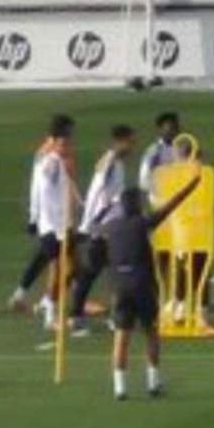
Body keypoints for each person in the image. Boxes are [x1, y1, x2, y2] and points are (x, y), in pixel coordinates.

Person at [102, 173, 203, 400]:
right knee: (150, 333)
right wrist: (192, 184)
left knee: (121, 335)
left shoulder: (110, 227)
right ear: (137, 206)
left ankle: (120, 387)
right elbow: (171, 205)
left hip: (119, 286)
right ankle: (153, 382)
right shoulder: (142, 223)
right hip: (141, 285)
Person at [9, 115, 78, 328]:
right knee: (59, 265)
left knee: (54, 261)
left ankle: (34, 298)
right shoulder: (49, 157)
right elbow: (41, 188)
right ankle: (50, 308)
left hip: (58, 220)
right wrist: (36, 215)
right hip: (55, 222)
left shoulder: (52, 154)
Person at [69, 125, 134, 336]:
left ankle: (102, 316)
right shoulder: (111, 162)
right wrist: (90, 224)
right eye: (130, 142)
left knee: (104, 273)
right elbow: (99, 194)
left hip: (108, 226)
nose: (133, 146)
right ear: (120, 141)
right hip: (104, 228)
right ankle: (77, 316)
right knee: (93, 273)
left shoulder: (115, 162)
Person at [139, 112, 181, 195]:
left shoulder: (182, 148)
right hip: (162, 197)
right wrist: (159, 190)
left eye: (176, 128)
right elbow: (143, 180)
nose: (174, 132)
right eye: (170, 128)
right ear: (160, 130)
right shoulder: (154, 151)